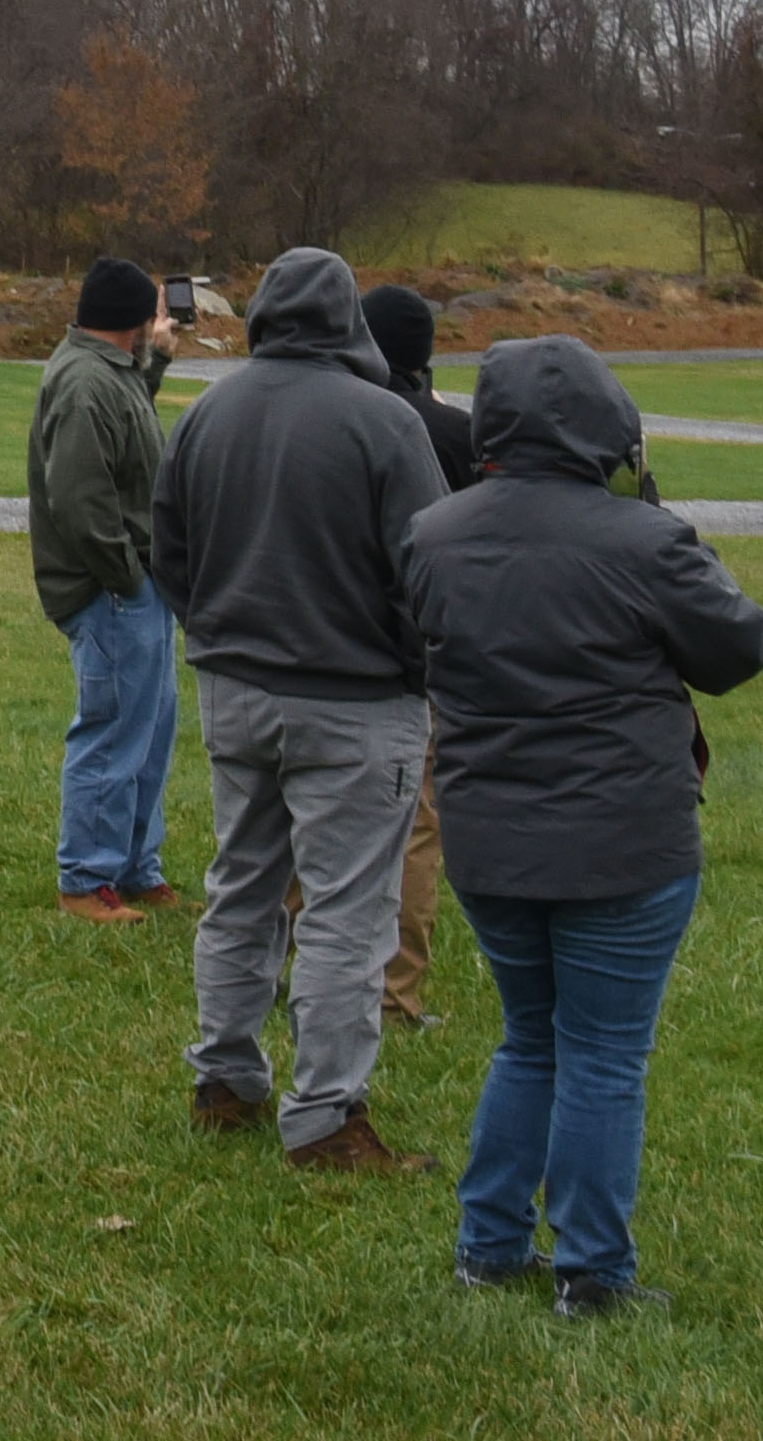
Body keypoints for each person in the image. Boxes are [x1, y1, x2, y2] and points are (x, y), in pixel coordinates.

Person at [406, 338, 763, 1316]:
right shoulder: (643, 543)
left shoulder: (432, 536)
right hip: (622, 837)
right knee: (602, 1054)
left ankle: (488, 1245)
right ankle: (592, 1272)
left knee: (531, 1040)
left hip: (489, 834)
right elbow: (739, 646)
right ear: (608, 427)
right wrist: (660, 514)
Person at [150, 243, 448, 1173]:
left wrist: (216, 631)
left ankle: (227, 1080)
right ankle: (324, 1116)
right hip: (355, 705)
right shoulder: (385, 421)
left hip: (236, 695)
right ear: (346, 318)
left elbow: (167, 549)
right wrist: (407, 659)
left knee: (241, 889)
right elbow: (431, 570)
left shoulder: (207, 412)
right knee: (348, 913)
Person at [28, 258, 183, 924]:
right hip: (114, 591)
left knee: (149, 731)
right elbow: (80, 500)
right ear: (132, 323)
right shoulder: (87, 383)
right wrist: (126, 576)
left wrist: (155, 367)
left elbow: (126, 433)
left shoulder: (109, 371)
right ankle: (86, 882)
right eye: (152, 315)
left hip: (138, 586)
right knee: (115, 732)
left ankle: (133, 866)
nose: (159, 323)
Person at [359, 283, 482, 1030]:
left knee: (311, 817)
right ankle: (394, 990)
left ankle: (302, 964)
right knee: (415, 824)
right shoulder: (458, 434)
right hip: (419, 653)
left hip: (327, 647)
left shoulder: (332, 418)